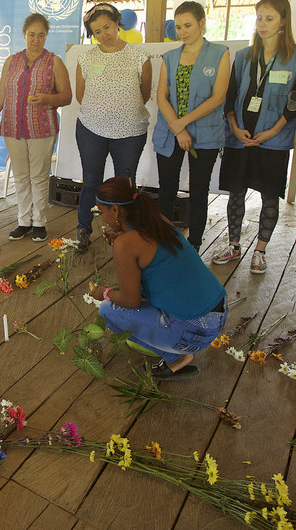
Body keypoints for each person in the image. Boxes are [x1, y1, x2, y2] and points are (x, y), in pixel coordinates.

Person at [89, 176, 227, 380]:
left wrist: (104, 292)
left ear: (116, 210)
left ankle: (176, 358)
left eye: (102, 212)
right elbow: (151, 254)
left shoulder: (126, 244)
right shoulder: (158, 221)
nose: (102, 218)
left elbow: (130, 300)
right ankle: (173, 342)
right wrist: (122, 239)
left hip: (194, 330)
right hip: (218, 312)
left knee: (108, 310)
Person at [210, 0, 296, 274]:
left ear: (283, 22)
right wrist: (233, 124)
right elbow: (230, 96)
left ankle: (260, 252)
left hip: (273, 140)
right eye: (259, 18)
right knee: (236, 193)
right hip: (240, 137)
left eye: (269, 19)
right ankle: (233, 245)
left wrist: (274, 131)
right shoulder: (243, 56)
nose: (262, 24)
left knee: (270, 195)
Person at [0, 13, 72, 242]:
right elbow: (1, 95)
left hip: (42, 129)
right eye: (31, 35)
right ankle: (23, 221)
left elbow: (67, 97)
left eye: (41, 35)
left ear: (46, 36)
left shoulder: (54, 61)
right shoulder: (12, 61)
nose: (36, 39)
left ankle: (39, 222)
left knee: (38, 176)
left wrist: (47, 99)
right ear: (24, 34)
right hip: (12, 129)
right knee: (21, 176)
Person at [74, 3, 152, 253]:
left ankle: (127, 232)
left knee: (125, 185)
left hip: (130, 132)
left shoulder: (140, 56)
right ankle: (83, 229)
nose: (103, 33)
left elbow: (145, 93)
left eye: (107, 26)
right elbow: (80, 95)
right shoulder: (86, 58)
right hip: (91, 129)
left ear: (117, 23)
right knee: (91, 182)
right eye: (97, 31)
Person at [153, 1, 231, 252]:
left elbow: (218, 98)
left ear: (201, 23)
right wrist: (177, 129)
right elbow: (161, 97)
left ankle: (195, 242)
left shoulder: (220, 53)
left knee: (199, 190)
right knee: (167, 187)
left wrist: (183, 124)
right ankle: (164, 238)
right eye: (178, 27)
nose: (183, 31)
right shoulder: (170, 56)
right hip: (170, 131)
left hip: (204, 133)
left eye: (188, 25)